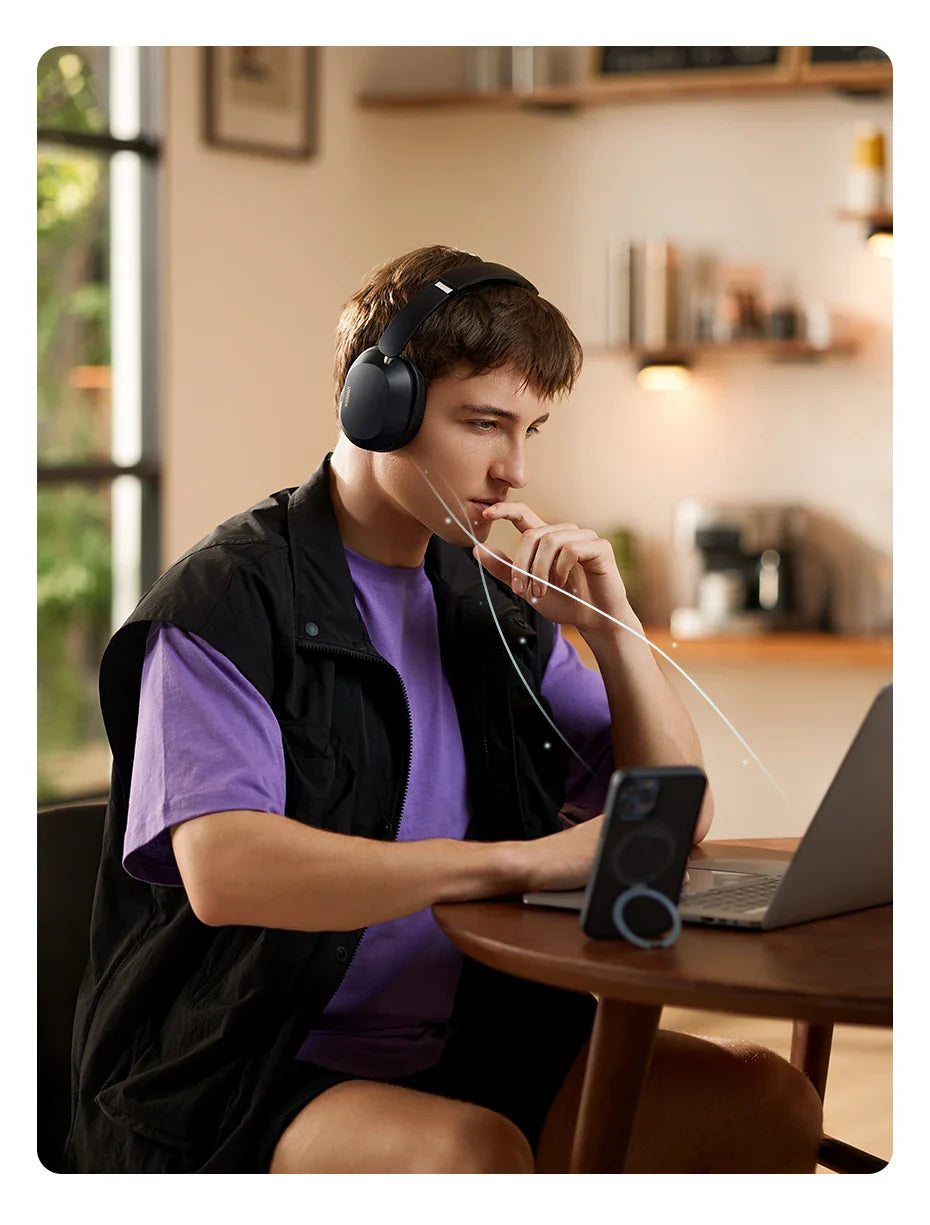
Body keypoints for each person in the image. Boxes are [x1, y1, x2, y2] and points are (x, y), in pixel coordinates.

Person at [65, 245, 823, 1174]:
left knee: (766, 1101)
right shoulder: (225, 603)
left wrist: (615, 628)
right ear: (374, 404)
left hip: (480, 1036)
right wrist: (520, 861)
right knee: (469, 1155)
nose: (513, 471)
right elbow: (226, 869)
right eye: (483, 422)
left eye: (531, 430)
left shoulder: (486, 605)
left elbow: (669, 813)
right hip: (250, 1064)